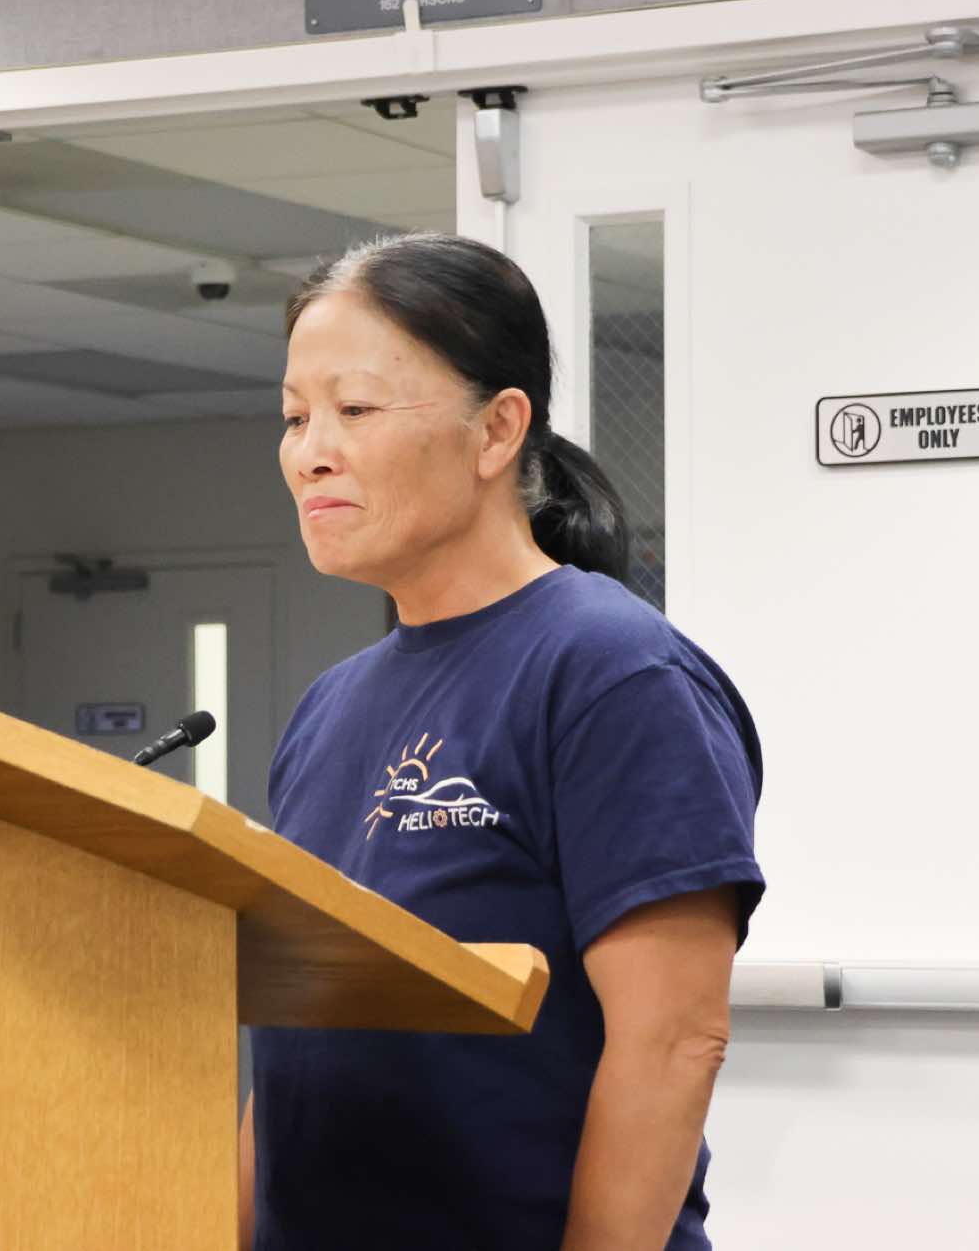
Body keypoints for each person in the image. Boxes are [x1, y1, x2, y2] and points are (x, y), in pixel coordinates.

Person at [241, 232, 766, 1251]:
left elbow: (672, 1040)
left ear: (496, 430)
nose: (310, 452)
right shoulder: (328, 707)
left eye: (355, 410)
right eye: (295, 417)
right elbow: (291, 1055)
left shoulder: (611, 673)